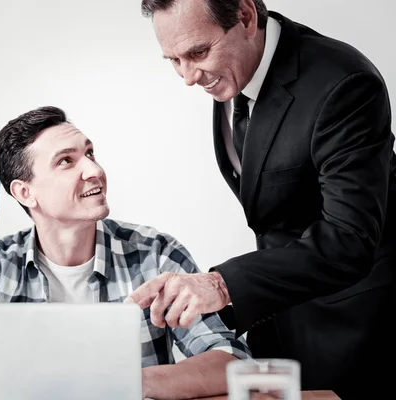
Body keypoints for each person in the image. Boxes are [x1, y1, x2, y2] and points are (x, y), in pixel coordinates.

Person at [127, 0, 396, 398]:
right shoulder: (233, 73)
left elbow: (349, 238)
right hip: (279, 319)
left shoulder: (344, 83)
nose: (187, 77)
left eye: (197, 53)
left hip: (355, 325)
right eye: (174, 60)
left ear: (246, 15)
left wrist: (221, 284)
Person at [0, 106, 251, 399]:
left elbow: (230, 360)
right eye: (66, 161)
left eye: (89, 153)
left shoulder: (156, 255)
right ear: (25, 192)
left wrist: (126, 384)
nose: (94, 171)